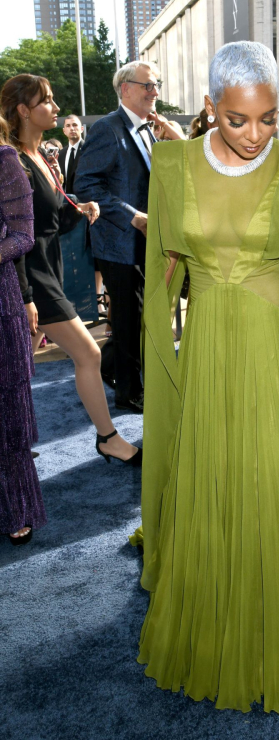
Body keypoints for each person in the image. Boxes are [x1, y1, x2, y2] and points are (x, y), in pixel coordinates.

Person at [132, 40, 279, 714]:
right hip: (207, 349)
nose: (257, 135)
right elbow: (163, 278)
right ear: (210, 108)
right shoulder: (172, 166)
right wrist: (166, 359)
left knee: (273, 480)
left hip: (276, 348)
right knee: (211, 476)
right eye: (238, 120)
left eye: (269, 118)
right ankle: (211, 636)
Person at [0, 74, 141, 466]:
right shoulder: (13, 161)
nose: (57, 108)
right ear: (25, 110)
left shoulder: (39, 158)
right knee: (88, 354)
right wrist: (26, 297)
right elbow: (16, 236)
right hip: (30, 280)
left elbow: (52, 223)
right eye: (47, 101)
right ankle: (109, 438)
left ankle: (14, 440)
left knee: (16, 371)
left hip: (45, 272)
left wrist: (81, 210)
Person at [75, 61, 161, 412]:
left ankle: (112, 368)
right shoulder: (108, 129)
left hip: (144, 243)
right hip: (119, 244)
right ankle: (128, 392)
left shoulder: (148, 129)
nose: (155, 92)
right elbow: (85, 185)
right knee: (127, 320)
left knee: (135, 317)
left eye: (157, 85)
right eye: (148, 85)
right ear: (125, 88)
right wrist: (133, 216)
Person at [0, 115, 46, 545]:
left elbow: (23, 236)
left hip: (1, 301)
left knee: (8, 416)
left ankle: (16, 505)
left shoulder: (4, 160)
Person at [58, 114, 84, 194]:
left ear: (82, 129)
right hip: (65, 201)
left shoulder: (90, 150)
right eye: (68, 126)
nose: (72, 128)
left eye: (75, 125)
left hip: (85, 201)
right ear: (64, 131)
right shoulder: (60, 154)